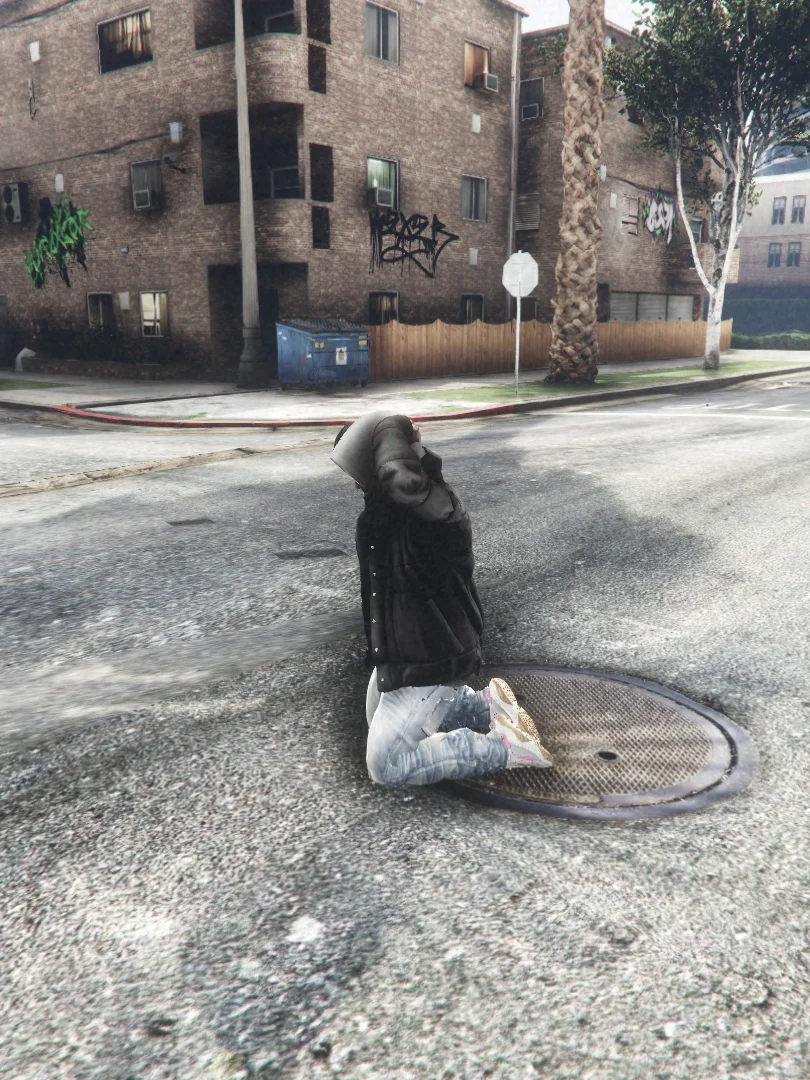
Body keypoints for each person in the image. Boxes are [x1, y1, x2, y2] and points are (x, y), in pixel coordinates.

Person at [330, 410, 553, 787]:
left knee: (385, 764)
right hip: (408, 649)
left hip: (431, 653)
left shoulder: (431, 512)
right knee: (375, 720)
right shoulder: (388, 510)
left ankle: (508, 748)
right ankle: (486, 705)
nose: (354, 483)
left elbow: (404, 480)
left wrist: (392, 430)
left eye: (360, 470)